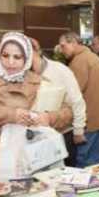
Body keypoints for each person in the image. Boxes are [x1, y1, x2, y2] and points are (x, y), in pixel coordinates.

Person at [0, 32, 72, 196]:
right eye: (5, 55)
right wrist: (9, 115)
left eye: (17, 57)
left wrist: (49, 117)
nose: (10, 62)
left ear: (27, 59)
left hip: (36, 161)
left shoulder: (39, 81)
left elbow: (67, 113)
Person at [29, 37, 86, 165]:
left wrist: (78, 131)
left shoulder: (60, 70)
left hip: (61, 134)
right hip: (33, 138)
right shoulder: (21, 74)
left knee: (66, 175)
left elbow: (77, 101)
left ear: (38, 51)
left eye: (28, 53)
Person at [58, 32, 99, 168]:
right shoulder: (95, 58)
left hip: (87, 120)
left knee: (83, 162)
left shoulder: (78, 62)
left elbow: (72, 96)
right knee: (96, 162)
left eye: (63, 46)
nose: (62, 51)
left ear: (74, 43)